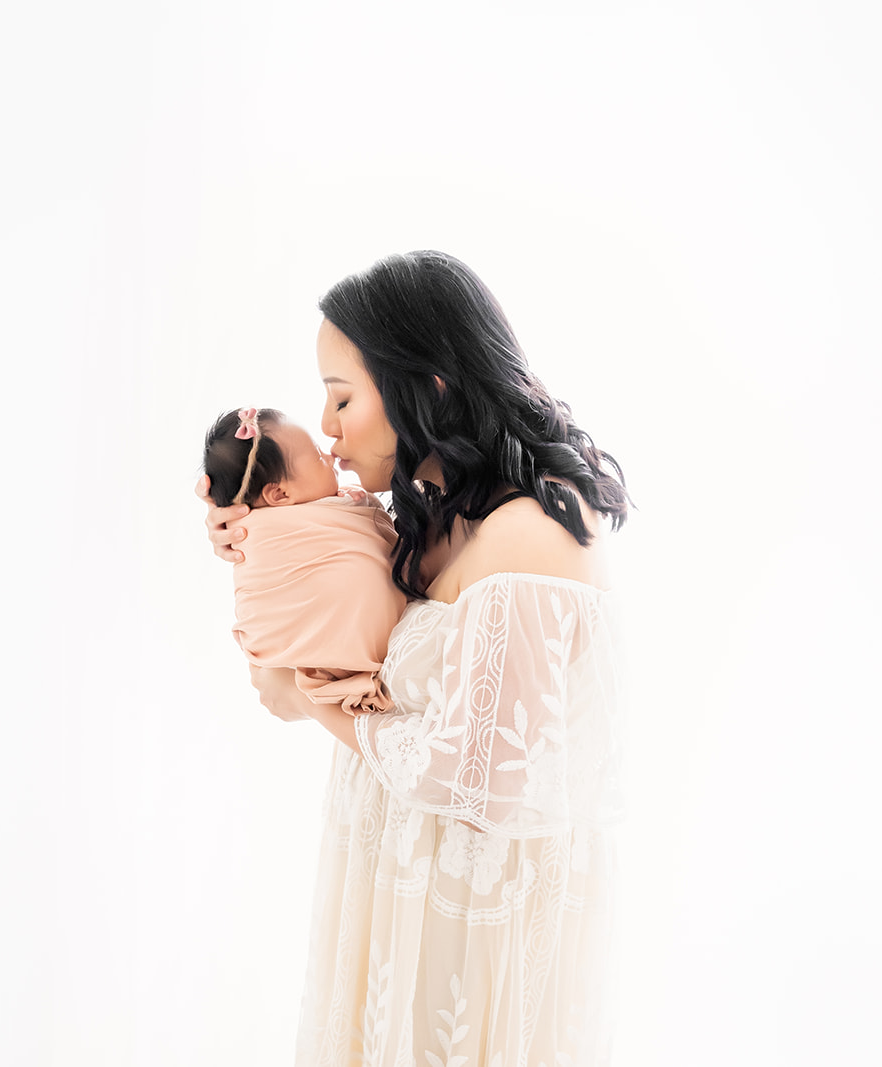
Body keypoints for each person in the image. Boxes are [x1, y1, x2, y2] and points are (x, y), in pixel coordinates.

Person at [195, 250, 633, 1067]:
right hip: (398, 899)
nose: (326, 428)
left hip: (471, 936)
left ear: (424, 388)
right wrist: (248, 528)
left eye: (342, 398)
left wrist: (310, 702)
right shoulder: (440, 510)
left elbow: (479, 778)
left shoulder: (534, 535)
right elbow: (334, 575)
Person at [201, 404, 409, 714]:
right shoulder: (259, 535)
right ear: (280, 495)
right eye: (316, 455)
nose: (329, 455)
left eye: (343, 399)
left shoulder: (335, 505)